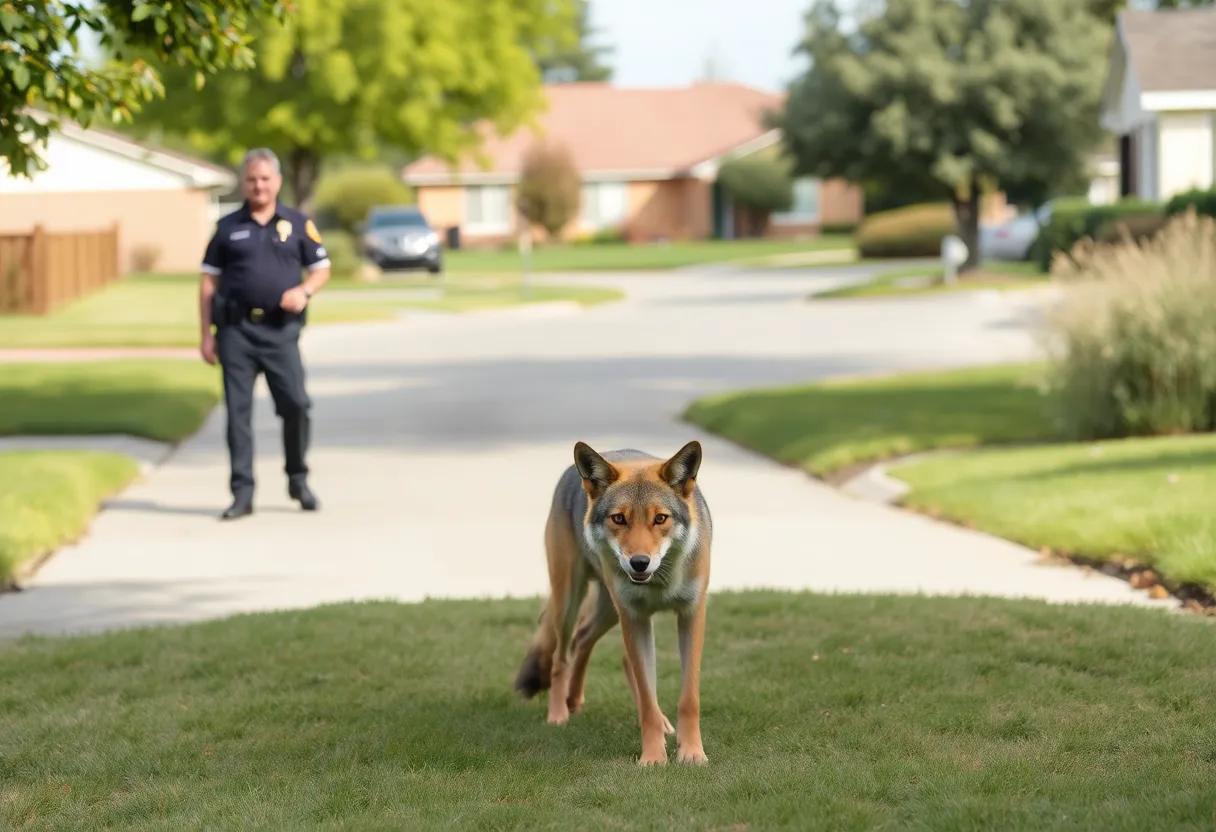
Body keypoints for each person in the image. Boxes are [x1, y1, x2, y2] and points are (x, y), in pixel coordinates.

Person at [198, 148, 331, 520]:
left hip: (280, 332)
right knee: (238, 415)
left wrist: (303, 292)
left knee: (297, 406)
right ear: (244, 182)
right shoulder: (226, 228)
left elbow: (321, 269)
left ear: (278, 181)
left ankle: (297, 479)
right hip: (236, 331)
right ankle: (242, 494)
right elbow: (209, 282)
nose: (259, 185)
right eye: (252, 179)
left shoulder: (298, 223)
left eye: (265, 179)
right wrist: (206, 335)